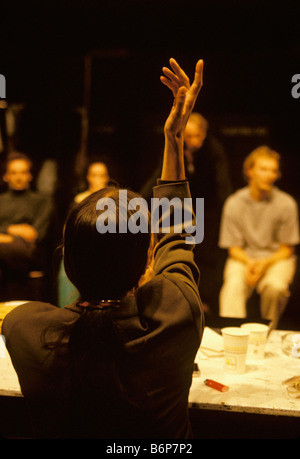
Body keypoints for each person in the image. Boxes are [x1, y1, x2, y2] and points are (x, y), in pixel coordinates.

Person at [3, 57, 204, 439]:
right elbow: (177, 232)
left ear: (68, 262)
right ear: (147, 258)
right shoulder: (177, 313)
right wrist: (173, 139)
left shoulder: (25, 330)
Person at [140, 111, 232, 314]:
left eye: (197, 136)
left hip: (207, 210)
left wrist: (228, 211)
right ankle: (179, 299)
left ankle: (204, 301)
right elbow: (159, 176)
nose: (193, 141)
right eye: (188, 136)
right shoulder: (176, 147)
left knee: (205, 255)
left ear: (205, 134)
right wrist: (137, 201)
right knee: (179, 249)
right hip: (183, 207)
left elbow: (222, 183)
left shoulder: (213, 149)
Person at [219, 146, 299, 328]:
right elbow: (234, 248)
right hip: (244, 258)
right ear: (249, 171)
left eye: (273, 170)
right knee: (233, 286)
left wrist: (263, 264)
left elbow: (287, 249)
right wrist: (250, 262)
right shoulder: (234, 203)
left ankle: (266, 333)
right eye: (263, 169)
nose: (269, 175)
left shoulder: (286, 204)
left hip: (275, 258)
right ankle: (233, 334)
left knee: (275, 287)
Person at [58, 160, 110, 307]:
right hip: (82, 249)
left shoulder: (114, 201)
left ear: (107, 178)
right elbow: (70, 229)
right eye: (94, 175)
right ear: (88, 177)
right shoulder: (79, 200)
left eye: (102, 175)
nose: (98, 179)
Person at [0, 152, 53, 289]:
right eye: (14, 173)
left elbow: (34, 235)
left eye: (23, 172)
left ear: (30, 175)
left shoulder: (42, 202)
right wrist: (12, 230)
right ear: (6, 176)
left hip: (29, 256)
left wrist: (3, 235)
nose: (18, 177)